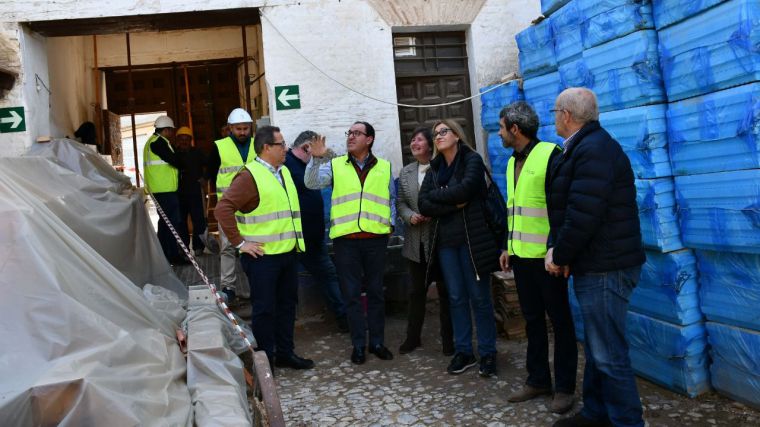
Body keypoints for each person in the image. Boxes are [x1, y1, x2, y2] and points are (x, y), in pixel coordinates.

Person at [548, 88, 646, 427]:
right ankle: (596, 414)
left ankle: (627, 422)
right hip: (598, 262)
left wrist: (560, 254)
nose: (554, 117)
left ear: (567, 115)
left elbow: (583, 213)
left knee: (609, 354)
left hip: (608, 266)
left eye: (555, 111)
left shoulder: (594, 150)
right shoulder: (584, 147)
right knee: (597, 347)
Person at [497, 102, 577, 414]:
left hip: (547, 259)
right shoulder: (509, 162)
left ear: (515, 129)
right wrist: (507, 246)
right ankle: (538, 379)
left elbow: (562, 208)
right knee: (532, 321)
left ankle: (565, 387)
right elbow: (514, 209)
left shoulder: (551, 155)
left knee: (560, 322)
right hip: (521, 257)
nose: (500, 133)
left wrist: (557, 249)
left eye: (502, 127)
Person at [214, 125, 314, 371]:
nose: (286, 148)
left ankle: (285, 353)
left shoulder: (284, 171)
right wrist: (240, 243)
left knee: (287, 306)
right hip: (262, 258)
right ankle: (266, 361)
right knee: (265, 310)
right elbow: (222, 209)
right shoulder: (250, 176)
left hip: (287, 253)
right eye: (281, 144)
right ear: (267, 148)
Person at [304, 121, 396, 365]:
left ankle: (377, 342)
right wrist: (316, 159)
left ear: (369, 140)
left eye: (357, 133)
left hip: (375, 240)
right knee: (352, 295)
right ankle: (358, 345)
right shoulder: (335, 164)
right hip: (346, 242)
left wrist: (392, 225)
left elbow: (391, 198)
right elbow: (312, 183)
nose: (351, 137)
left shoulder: (385, 167)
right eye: (349, 133)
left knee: (376, 292)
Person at [418, 119, 499, 377]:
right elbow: (424, 204)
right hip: (446, 244)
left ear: (457, 135)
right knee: (455, 298)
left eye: (444, 132)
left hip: (472, 241)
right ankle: (464, 351)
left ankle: (488, 352)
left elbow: (466, 189)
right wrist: (453, 204)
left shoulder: (471, 160)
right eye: (435, 134)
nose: (438, 136)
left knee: (479, 298)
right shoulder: (434, 168)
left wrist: (443, 197)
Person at [396, 126, 454, 356]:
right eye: (412, 140)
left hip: (440, 240)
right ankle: (413, 338)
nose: (414, 143)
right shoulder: (406, 172)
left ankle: (449, 340)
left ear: (430, 145)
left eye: (419, 139)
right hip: (415, 242)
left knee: (446, 293)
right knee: (415, 292)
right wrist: (411, 216)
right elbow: (400, 202)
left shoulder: (443, 168)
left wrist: (434, 212)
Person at [285, 130, 349, 333]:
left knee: (328, 275)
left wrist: (325, 154)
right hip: (293, 237)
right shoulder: (286, 166)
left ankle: (344, 317)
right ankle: (342, 317)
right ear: (306, 148)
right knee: (324, 276)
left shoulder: (305, 164)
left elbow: (338, 167)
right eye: (315, 151)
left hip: (312, 236)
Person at [207, 108, 256, 303]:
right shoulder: (219, 147)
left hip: (255, 206)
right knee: (227, 247)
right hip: (229, 207)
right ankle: (229, 288)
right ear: (230, 129)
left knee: (254, 246)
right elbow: (213, 174)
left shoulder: (258, 145)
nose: (243, 132)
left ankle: (257, 285)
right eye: (238, 129)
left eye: (246, 128)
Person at [142, 115, 185, 265]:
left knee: (165, 223)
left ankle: (164, 255)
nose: (172, 134)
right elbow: (173, 160)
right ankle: (172, 256)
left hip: (160, 189)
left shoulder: (151, 142)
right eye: (171, 131)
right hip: (164, 190)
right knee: (172, 223)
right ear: (166, 130)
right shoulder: (159, 143)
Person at [175, 126, 219, 257]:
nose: (184, 142)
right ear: (177, 140)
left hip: (195, 192)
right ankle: (184, 249)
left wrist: (205, 178)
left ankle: (198, 247)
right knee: (181, 221)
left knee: (199, 220)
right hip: (179, 193)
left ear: (190, 140)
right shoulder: (173, 154)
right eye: (181, 139)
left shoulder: (197, 153)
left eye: (186, 139)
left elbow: (211, 164)